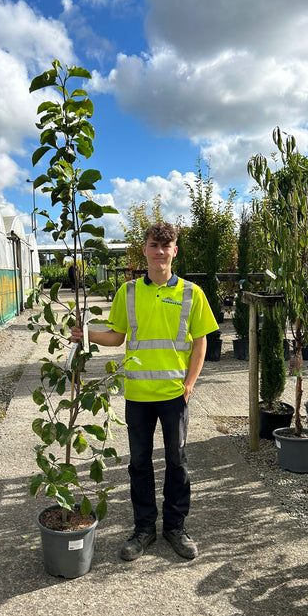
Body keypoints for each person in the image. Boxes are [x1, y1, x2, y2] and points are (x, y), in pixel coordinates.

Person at [71, 221, 218, 561]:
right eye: (154, 245)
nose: (160, 252)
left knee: (176, 461)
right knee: (139, 464)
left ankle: (175, 527)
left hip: (173, 395)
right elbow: (117, 336)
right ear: (145, 250)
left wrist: (189, 384)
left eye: (166, 246)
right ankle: (144, 529)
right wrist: (87, 334)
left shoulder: (191, 293)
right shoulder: (129, 292)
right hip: (138, 395)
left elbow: (200, 342)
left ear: (174, 251)